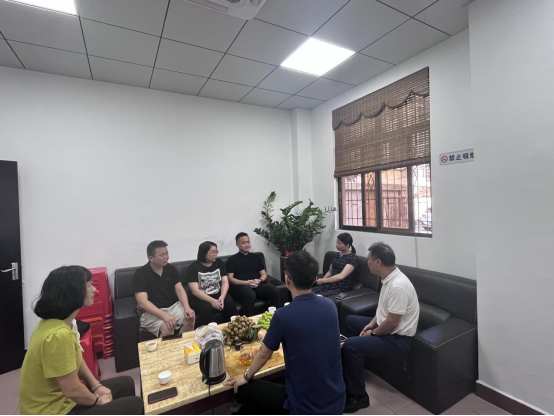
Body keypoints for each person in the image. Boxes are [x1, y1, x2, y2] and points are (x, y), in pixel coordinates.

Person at [225, 251, 346, 415]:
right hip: (337, 400)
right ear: (314, 279)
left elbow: (264, 353)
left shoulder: (283, 315)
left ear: (287, 279)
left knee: (245, 388)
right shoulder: (330, 305)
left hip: (305, 409)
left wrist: (245, 376)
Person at [19, 266, 144, 415]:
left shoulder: (62, 321)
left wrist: (96, 386)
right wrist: (96, 400)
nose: (94, 290)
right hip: (53, 409)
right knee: (135, 405)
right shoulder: (58, 335)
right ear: (74, 292)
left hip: (63, 399)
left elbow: (76, 360)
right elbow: (72, 390)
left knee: (126, 383)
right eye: (89, 286)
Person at [341, 242, 420, 413]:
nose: (367, 262)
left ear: (378, 262)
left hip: (397, 339)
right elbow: (384, 309)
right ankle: (353, 370)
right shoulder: (388, 278)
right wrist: (371, 323)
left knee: (351, 345)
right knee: (351, 320)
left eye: (369, 259)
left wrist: (373, 333)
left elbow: (392, 323)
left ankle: (359, 397)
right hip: (386, 328)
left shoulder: (398, 285)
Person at [133, 241, 195, 337]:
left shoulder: (170, 269)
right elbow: (142, 302)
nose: (166, 257)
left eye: (167, 253)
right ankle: (168, 347)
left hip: (173, 307)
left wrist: (187, 307)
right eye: (162, 255)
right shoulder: (140, 274)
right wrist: (164, 316)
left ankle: (181, 344)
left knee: (190, 318)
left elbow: (180, 290)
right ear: (151, 258)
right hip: (151, 312)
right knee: (168, 327)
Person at [226, 232, 280, 317]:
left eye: (248, 242)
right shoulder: (232, 260)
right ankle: (244, 319)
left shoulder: (256, 257)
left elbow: (263, 274)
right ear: (237, 245)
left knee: (273, 290)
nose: (247, 245)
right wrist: (246, 283)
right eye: (243, 243)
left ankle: (273, 316)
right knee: (250, 295)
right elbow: (230, 278)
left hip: (257, 284)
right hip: (241, 286)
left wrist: (260, 280)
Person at [185, 241, 237, 327]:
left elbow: (225, 282)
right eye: (213, 252)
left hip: (217, 293)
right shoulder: (193, 268)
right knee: (207, 308)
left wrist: (222, 297)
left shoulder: (219, 263)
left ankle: (231, 328)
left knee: (229, 303)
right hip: (200, 297)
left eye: (216, 251)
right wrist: (212, 301)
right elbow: (195, 291)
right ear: (204, 253)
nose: (216, 254)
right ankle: (205, 332)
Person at [313, 233, 358, 297]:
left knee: (319, 296)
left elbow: (341, 276)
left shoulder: (352, 258)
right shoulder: (335, 255)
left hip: (341, 287)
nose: (337, 245)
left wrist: (323, 281)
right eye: (337, 242)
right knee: (310, 292)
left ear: (347, 245)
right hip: (329, 283)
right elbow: (330, 272)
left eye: (340, 244)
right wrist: (322, 281)